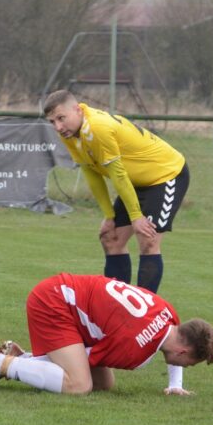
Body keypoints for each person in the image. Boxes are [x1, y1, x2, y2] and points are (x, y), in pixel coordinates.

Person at [0, 273, 213, 395]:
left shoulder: (169, 314)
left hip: (67, 296)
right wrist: (24, 364)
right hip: (54, 303)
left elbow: (173, 345)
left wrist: (175, 385)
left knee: (104, 384)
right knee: (79, 385)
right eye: (191, 363)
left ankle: (17, 359)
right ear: (184, 351)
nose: (187, 366)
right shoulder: (137, 350)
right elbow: (86, 355)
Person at [43, 90, 190, 293]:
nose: (58, 127)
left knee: (148, 239)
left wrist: (136, 216)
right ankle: (116, 304)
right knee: (110, 237)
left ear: (77, 110)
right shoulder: (70, 133)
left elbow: (118, 174)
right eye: (52, 122)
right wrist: (109, 216)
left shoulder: (98, 127)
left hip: (165, 175)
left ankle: (145, 308)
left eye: (61, 118)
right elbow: (91, 173)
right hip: (134, 182)